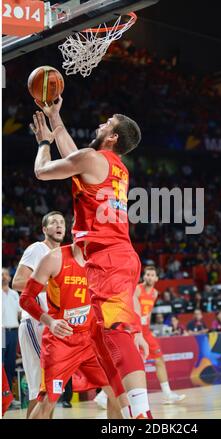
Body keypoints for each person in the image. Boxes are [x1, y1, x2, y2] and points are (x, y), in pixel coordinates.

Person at [30, 100, 151, 419]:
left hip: (108, 259)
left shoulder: (91, 158)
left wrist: (44, 142)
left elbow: (42, 172)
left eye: (107, 122)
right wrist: (56, 117)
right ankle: (130, 415)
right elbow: (76, 157)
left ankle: (143, 416)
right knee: (102, 342)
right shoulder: (115, 166)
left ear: (112, 137)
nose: (101, 124)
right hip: (116, 257)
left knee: (115, 334)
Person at [19, 242, 129, 419]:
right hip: (61, 341)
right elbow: (26, 299)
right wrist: (50, 321)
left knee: (117, 393)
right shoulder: (54, 258)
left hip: (91, 340)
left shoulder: (101, 261)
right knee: (47, 402)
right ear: (75, 232)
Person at [12, 211, 66, 418]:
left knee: (50, 388)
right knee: (40, 387)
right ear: (44, 229)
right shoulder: (37, 249)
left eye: (61, 222)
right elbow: (17, 282)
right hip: (35, 322)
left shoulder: (63, 255)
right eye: (53, 222)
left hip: (53, 325)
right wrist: (51, 283)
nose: (59, 225)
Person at [133, 266, 186, 404]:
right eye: (147, 274)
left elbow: (148, 313)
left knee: (159, 360)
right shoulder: (137, 289)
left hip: (146, 332)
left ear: (156, 278)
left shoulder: (155, 293)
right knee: (133, 365)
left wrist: (146, 324)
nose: (149, 277)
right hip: (135, 332)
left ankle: (168, 394)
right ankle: (103, 396)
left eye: (152, 275)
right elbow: (133, 309)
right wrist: (137, 323)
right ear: (144, 276)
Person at [2, 268, 21, 403]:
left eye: (6, 274)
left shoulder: (15, 294)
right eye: (1, 274)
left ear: (10, 277)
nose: (4, 276)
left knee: (10, 365)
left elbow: (20, 313)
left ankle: (8, 397)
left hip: (14, 331)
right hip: (1, 332)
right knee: (1, 365)